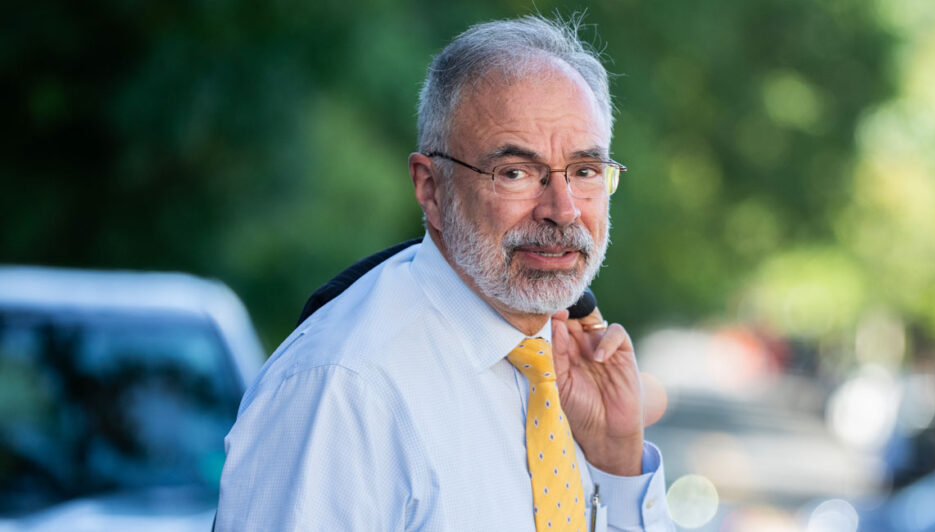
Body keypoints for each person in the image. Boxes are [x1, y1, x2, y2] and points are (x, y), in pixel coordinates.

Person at [215, 15, 674, 531]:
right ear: (431, 188)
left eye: (585, 171)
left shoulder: (561, 371)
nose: (563, 209)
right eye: (516, 173)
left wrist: (618, 464)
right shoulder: (342, 388)